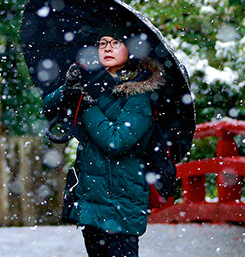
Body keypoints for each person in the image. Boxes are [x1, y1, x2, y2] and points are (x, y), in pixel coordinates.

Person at [42, 30, 165, 257]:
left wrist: (89, 108)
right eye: (102, 43)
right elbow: (48, 108)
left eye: (116, 42)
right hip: (91, 201)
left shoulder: (139, 95)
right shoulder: (90, 82)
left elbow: (115, 141)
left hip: (121, 203)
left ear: (131, 49)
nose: (107, 48)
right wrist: (68, 90)